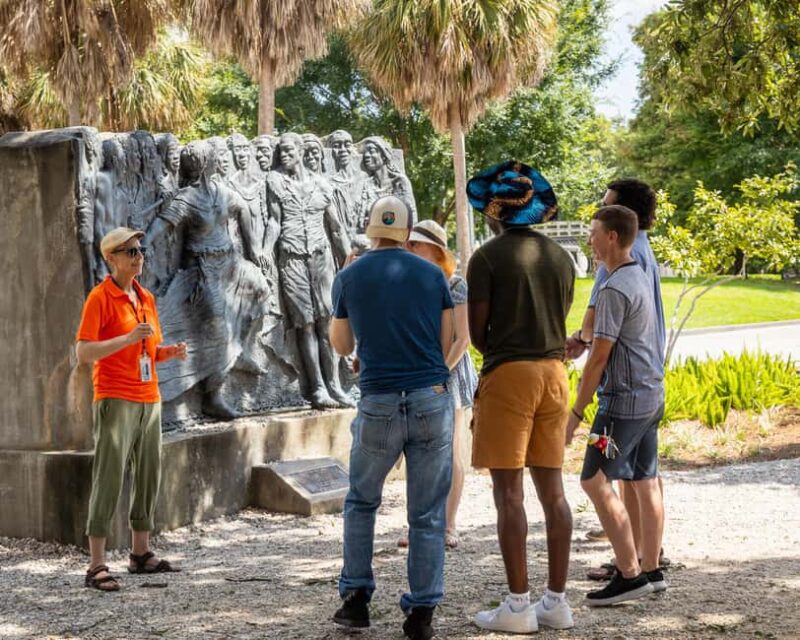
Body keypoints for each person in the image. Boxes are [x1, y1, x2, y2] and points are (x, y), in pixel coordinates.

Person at [330, 196, 455, 640]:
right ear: (407, 232)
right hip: (430, 397)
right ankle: (422, 610)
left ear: (370, 228)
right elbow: (447, 339)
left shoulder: (349, 275)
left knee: (362, 501)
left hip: (379, 397)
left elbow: (343, 345)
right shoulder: (431, 273)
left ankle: (357, 599)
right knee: (427, 513)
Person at [467, 161, 576, 633]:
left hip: (510, 372)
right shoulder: (561, 257)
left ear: (494, 213)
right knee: (553, 491)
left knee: (508, 492)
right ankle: (556, 601)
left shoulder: (487, 258)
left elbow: (477, 333)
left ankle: (517, 607)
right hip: (554, 373)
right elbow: (561, 314)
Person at [564, 179, 669, 579]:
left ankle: (630, 573)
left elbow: (601, 346)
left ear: (613, 232)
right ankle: (649, 565)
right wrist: (583, 339)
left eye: (593, 232)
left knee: (594, 477)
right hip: (649, 388)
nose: (589, 241)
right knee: (644, 478)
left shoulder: (616, 276)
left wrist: (576, 411)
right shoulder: (642, 257)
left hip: (622, 398)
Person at [75, 227, 187, 591]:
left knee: (149, 475)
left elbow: (149, 351)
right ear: (112, 258)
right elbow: (83, 353)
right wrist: (126, 338)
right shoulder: (100, 298)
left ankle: (140, 553)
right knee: (108, 476)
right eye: (130, 251)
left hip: (148, 397)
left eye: (140, 250)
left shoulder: (146, 297)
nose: (139, 256)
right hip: (115, 397)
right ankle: (96, 565)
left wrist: (170, 353)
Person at [403, 219, 478, 549]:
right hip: (419, 373)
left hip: (450, 374)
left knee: (451, 451)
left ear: (431, 250)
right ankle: (419, 523)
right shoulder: (407, 282)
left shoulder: (455, 284)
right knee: (419, 453)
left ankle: (448, 524)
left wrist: (438, 372)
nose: (408, 249)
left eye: (414, 244)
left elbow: (462, 340)